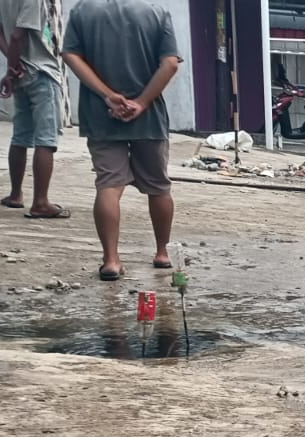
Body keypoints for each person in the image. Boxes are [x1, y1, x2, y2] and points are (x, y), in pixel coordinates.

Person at [61, 0, 183, 281]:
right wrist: (142, 102)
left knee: (108, 184)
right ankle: (162, 252)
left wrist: (108, 95)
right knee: (158, 186)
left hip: (101, 114)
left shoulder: (82, 11)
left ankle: (111, 261)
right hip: (149, 117)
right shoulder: (155, 12)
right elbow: (170, 63)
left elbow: (70, 55)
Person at [0, 0, 69, 219]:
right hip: (42, 72)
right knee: (46, 139)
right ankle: (40, 202)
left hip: (22, 74)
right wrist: (13, 67)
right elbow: (18, 35)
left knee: (21, 135)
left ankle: (15, 194)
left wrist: (13, 67)